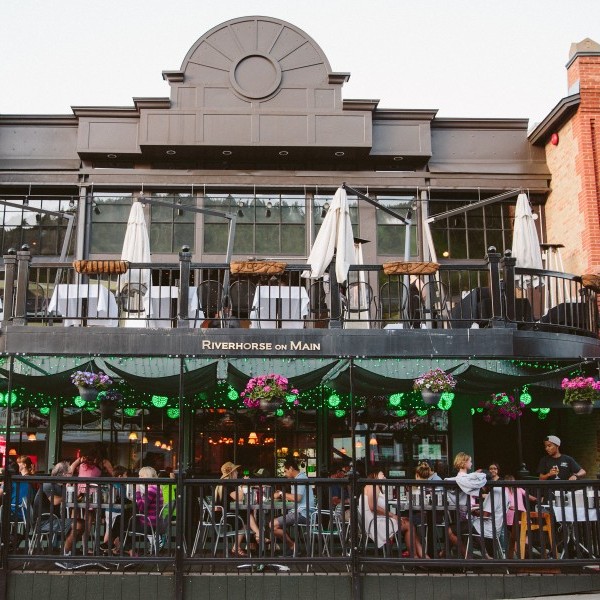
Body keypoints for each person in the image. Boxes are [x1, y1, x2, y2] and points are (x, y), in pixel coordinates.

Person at [361, 469, 425, 557]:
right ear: (375, 476)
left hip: (375, 521)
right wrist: (393, 516)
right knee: (409, 525)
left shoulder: (373, 487)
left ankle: (422, 556)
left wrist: (393, 517)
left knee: (408, 522)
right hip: (375, 524)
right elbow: (373, 507)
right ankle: (415, 557)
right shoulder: (373, 486)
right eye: (382, 474)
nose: (384, 477)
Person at [444, 452, 487, 557]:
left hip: (465, 516)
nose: (471, 463)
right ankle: (482, 555)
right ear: (464, 463)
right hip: (466, 517)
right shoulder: (465, 480)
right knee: (455, 529)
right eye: (470, 461)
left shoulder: (463, 479)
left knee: (451, 531)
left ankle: (446, 553)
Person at [214, 462, 260, 557]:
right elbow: (239, 497)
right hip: (224, 517)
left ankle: (256, 536)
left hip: (221, 515)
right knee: (246, 516)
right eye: (236, 471)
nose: (237, 473)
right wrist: (243, 485)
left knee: (247, 514)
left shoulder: (223, 483)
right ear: (231, 473)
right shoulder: (227, 484)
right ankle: (258, 536)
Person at [272, 459, 315, 556]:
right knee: (278, 523)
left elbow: (297, 498)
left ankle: (293, 547)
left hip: (303, 513)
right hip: (300, 512)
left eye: (285, 471)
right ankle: (292, 549)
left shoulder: (300, 478)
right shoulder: (298, 478)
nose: (285, 474)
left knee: (272, 525)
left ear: (291, 468)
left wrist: (281, 494)